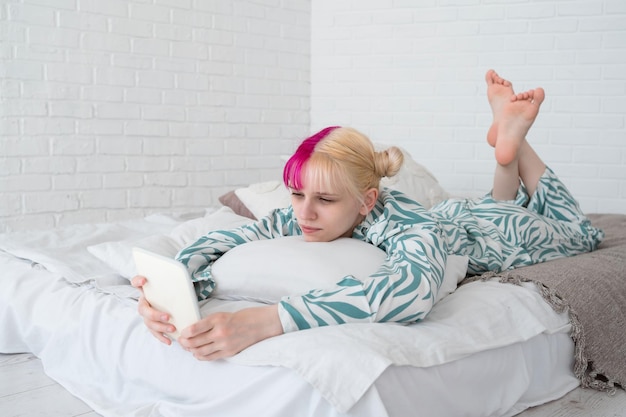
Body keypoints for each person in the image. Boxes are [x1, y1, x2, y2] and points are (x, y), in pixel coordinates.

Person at [132, 69, 604, 361]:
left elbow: (412, 292)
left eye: (325, 200)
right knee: (497, 201)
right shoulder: (303, 212)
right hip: (461, 213)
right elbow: (231, 236)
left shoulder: (402, 221)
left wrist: (271, 319)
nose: (305, 213)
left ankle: (517, 144)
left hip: (497, 234)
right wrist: (168, 287)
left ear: (368, 200)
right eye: (297, 194)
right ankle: (506, 148)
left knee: (579, 232)